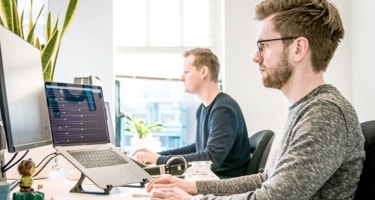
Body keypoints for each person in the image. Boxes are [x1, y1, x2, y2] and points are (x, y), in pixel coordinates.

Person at [146, 0, 366, 199]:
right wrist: (196, 187)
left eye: (264, 46)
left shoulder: (325, 113)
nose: (256, 56)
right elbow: (268, 179)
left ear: (298, 48)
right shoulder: (306, 109)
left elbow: (273, 198)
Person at [132, 48, 251, 178]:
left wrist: (160, 160)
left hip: (222, 184)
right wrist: (159, 156)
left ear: (203, 72)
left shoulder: (223, 109)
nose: (181, 78)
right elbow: (198, 148)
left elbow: (211, 159)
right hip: (208, 179)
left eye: (186, 72)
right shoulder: (204, 108)